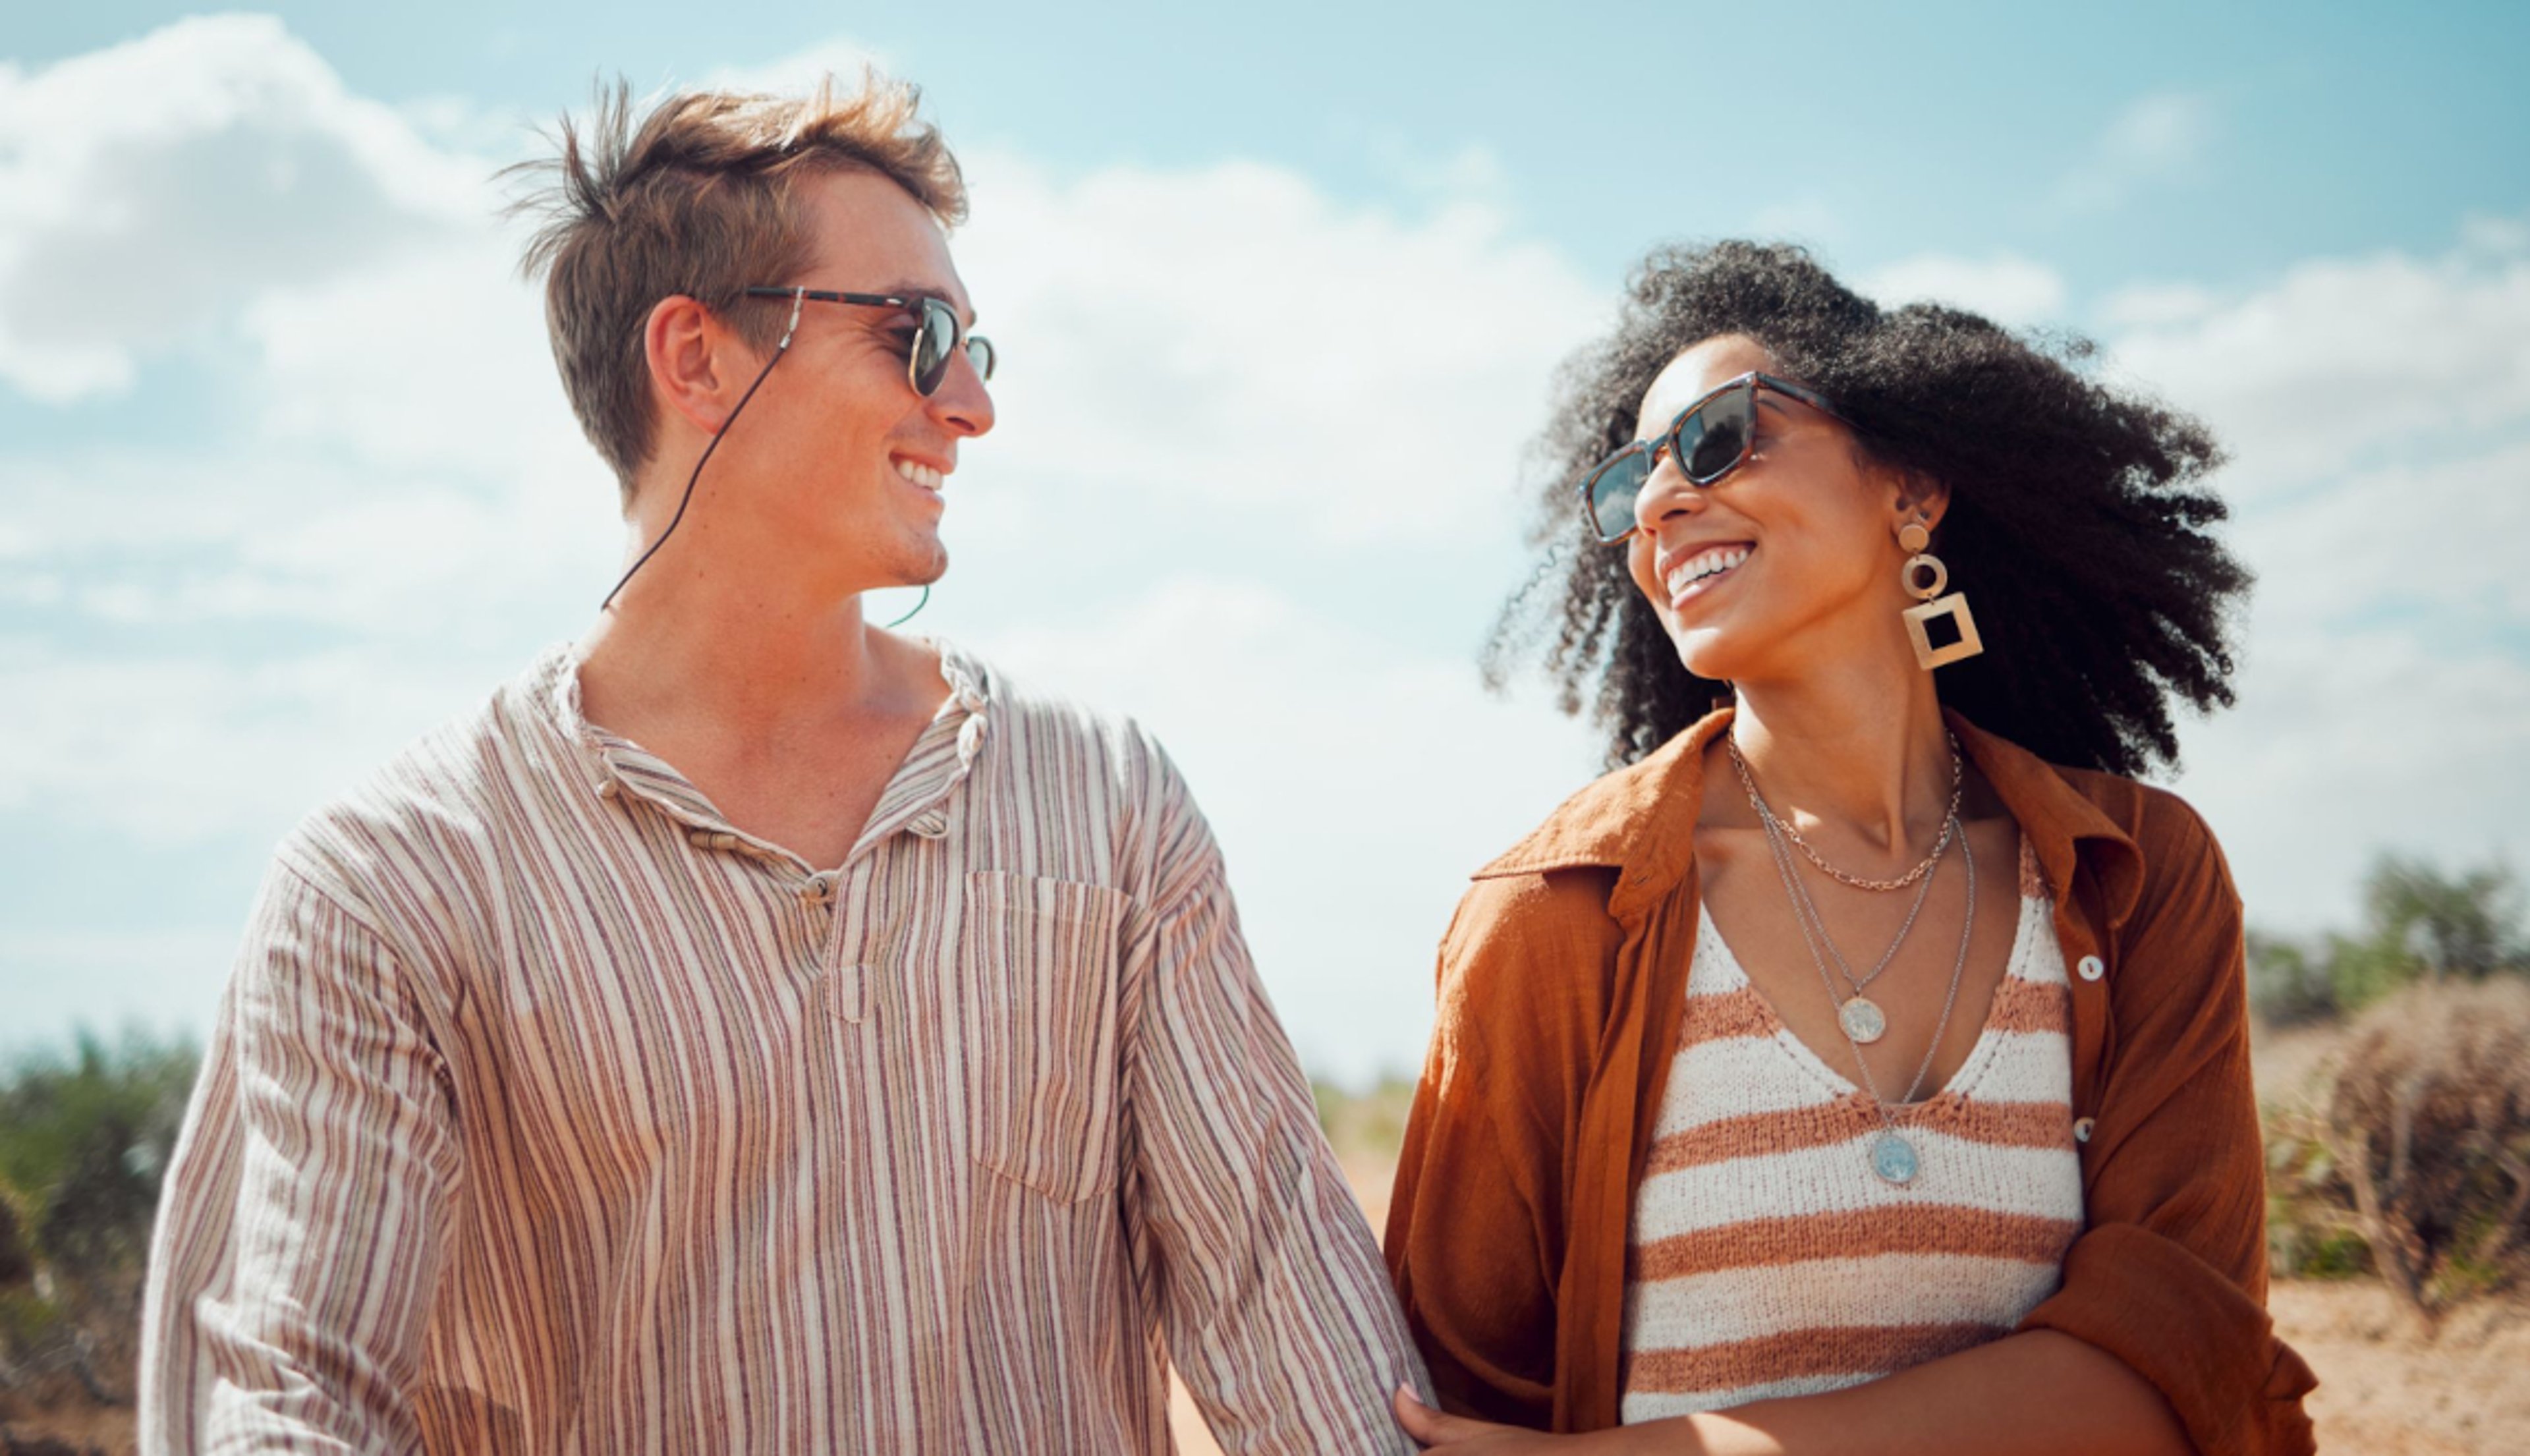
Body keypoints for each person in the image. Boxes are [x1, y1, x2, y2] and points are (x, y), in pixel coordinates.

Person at [138, 74, 1426, 1454]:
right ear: (695, 360)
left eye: (979, 346)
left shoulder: (1109, 806)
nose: (974, 404)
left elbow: (1299, 1337)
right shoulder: (389, 886)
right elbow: (292, 1405)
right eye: (919, 334)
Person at [1382, 242, 2315, 1455]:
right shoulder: (1556, 915)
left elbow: (2168, 1372)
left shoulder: (2136, 875)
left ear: (1909, 488)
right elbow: (1462, 1406)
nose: (1661, 503)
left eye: (1721, 436)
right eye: (1628, 487)